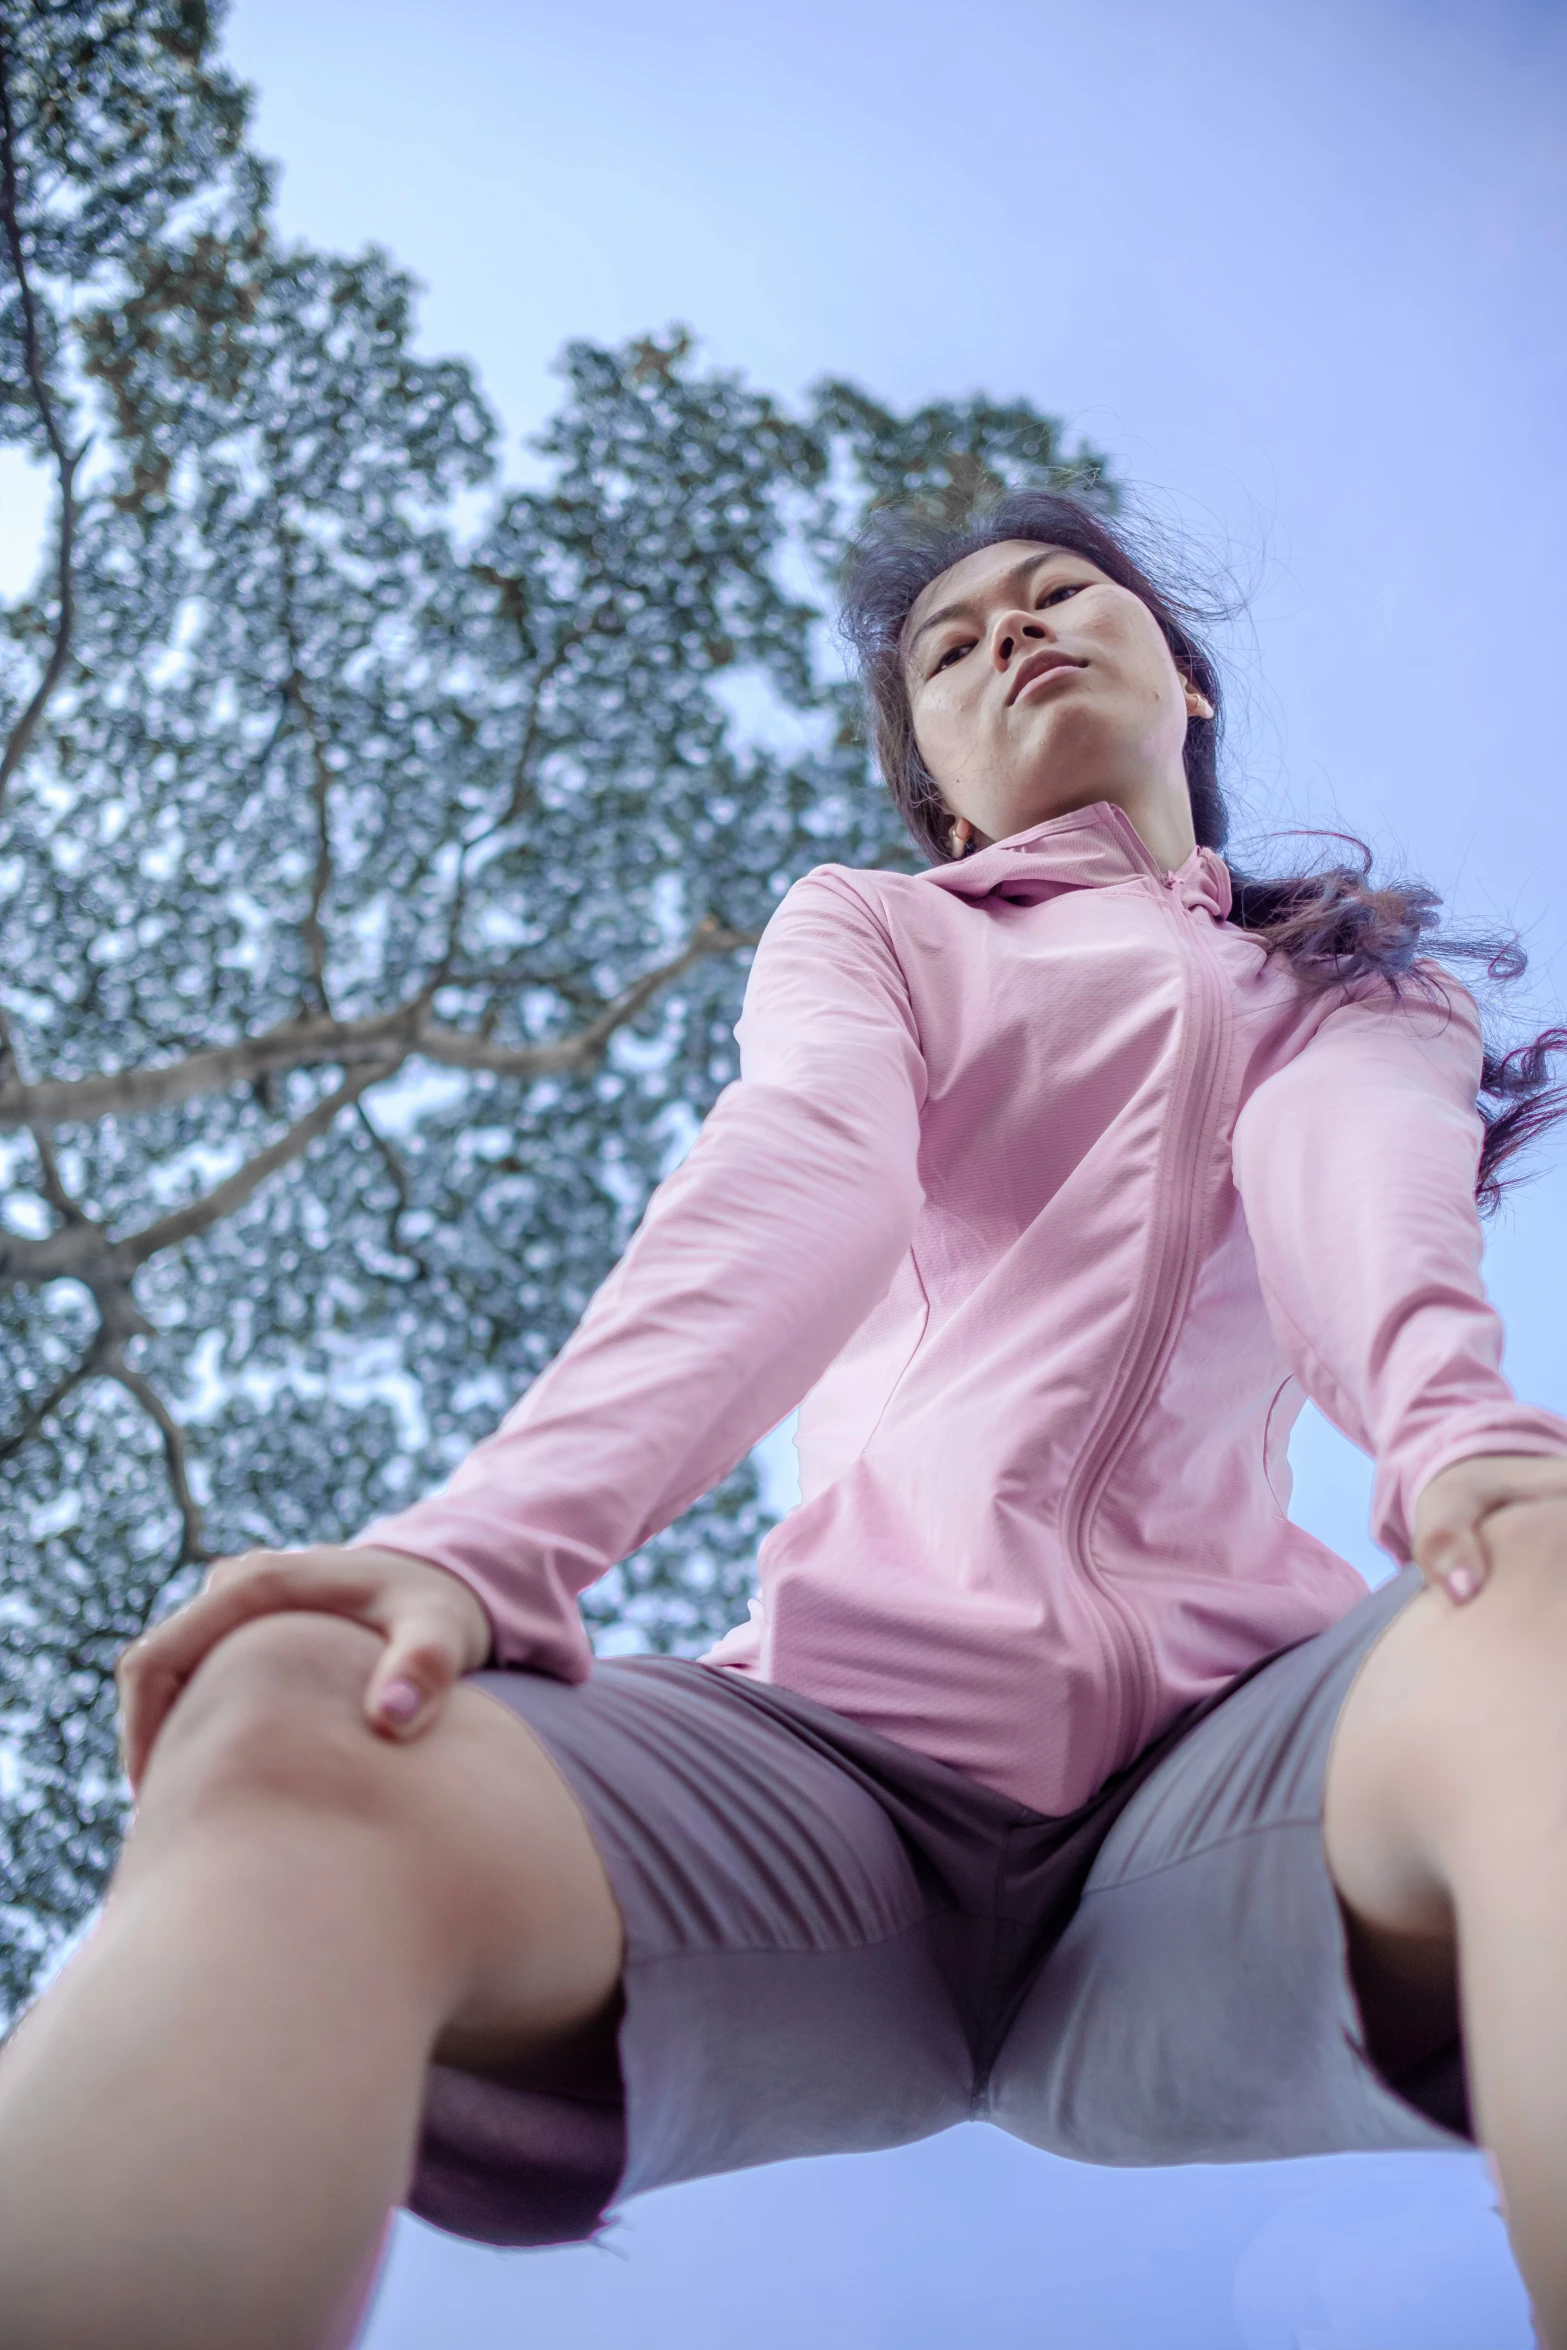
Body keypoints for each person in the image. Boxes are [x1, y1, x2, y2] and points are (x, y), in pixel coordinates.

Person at [3, 488, 1567, 2350]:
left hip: (1217, 1803)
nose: (1013, 630)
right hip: (825, 1795)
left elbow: (1353, 1197)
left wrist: (1467, 1451)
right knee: (298, 1714)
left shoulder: (1350, 986)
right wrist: (485, 1550)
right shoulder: (880, 933)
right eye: (952, 644)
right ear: (938, 794)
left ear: (1187, 679)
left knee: (1541, 1609)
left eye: (1061, 592)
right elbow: (799, 1179)